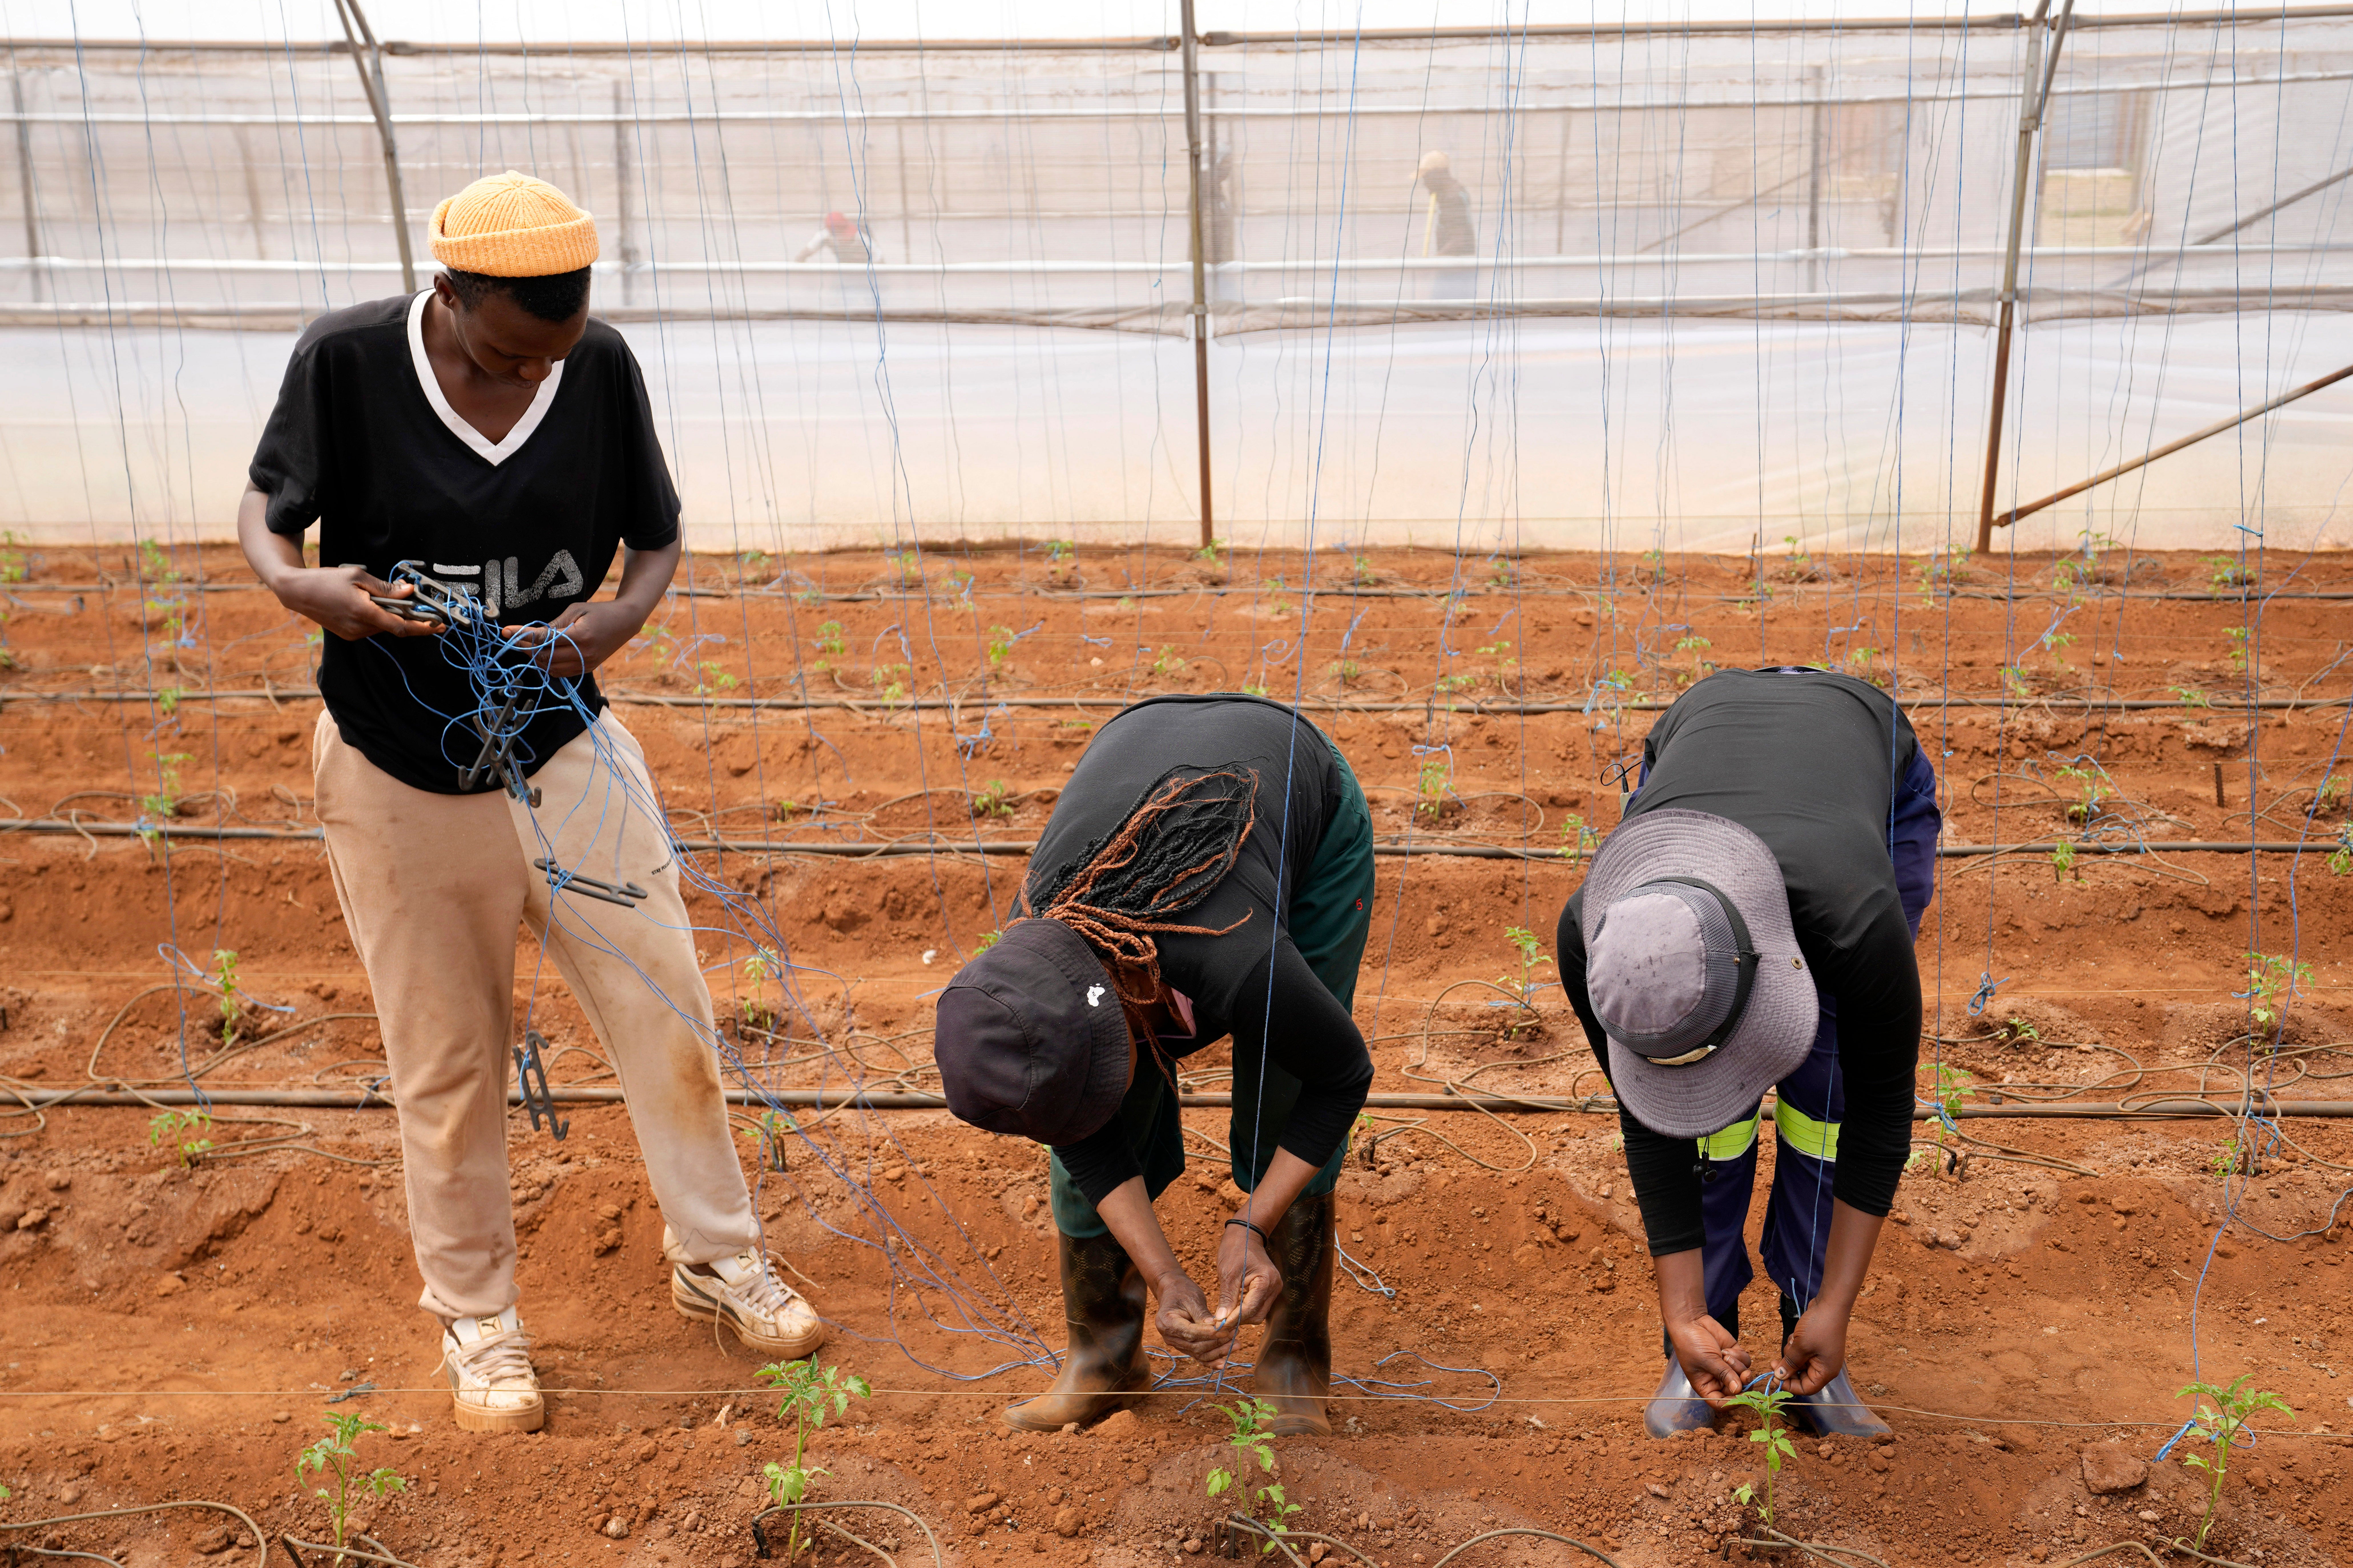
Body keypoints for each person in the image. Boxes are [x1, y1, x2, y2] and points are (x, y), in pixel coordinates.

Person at [236, 169, 824, 1435]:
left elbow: (654, 538)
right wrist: (308, 592)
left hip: (567, 747)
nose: (525, 381)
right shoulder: (343, 360)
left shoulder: (597, 367)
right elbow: (266, 515)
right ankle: (479, 1319)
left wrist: (610, 620)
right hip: (400, 766)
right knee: (446, 1059)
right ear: (447, 296)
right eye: (505, 357)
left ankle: (716, 1256)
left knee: (667, 1002)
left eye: (546, 359)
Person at [932, 694, 1375, 1435]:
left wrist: (1253, 1225)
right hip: (1143, 768)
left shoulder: (1238, 960)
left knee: (1285, 1087)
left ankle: (1293, 1358)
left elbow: (1343, 1076)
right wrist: (1167, 1277)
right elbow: (1077, 1126)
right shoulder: (1035, 964)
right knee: (1087, 1090)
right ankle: (1103, 1362)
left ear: (1130, 994)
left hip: (1303, 809)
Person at [1553, 667, 1939, 1440]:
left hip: (1861, 759)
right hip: (1700, 737)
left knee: (1828, 1082)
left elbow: (1878, 1118)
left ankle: (1808, 1325)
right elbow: (1645, 1120)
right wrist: (1682, 1309)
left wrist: (1836, 1306)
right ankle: (1701, 1343)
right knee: (1697, 1114)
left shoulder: (1855, 921)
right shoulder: (1595, 941)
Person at [1415, 151, 1477, 300]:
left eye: (1426, 177)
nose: (1424, 184)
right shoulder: (1457, 190)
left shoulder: (1452, 198)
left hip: (1456, 269)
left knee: (1444, 310)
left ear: (1438, 174)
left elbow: (1458, 240)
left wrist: (1432, 264)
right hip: (1457, 265)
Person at [793, 210, 876, 265]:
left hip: (865, 269)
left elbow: (877, 255)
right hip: (844, 271)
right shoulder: (825, 236)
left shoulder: (861, 236)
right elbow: (806, 253)